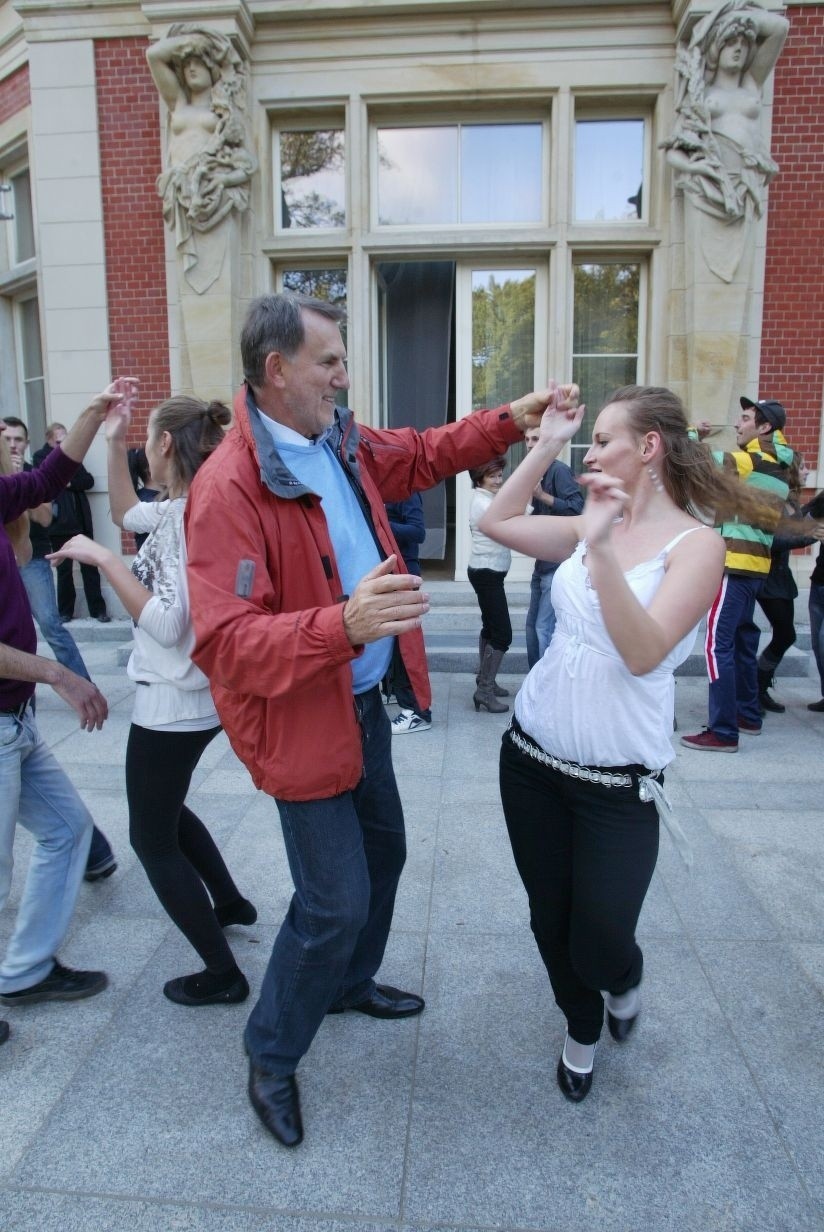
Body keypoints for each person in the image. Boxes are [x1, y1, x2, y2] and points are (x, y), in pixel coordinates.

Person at [183, 291, 557, 1147]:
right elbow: (230, 645)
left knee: (383, 852)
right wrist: (341, 625)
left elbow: (423, 453)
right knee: (332, 901)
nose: (344, 380)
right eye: (330, 364)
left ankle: (348, 984)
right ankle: (271, 1052)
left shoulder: (335, 440)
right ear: (275, 372)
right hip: (301, 719)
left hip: (363, 705)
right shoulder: (227, 488)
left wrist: (510, 419)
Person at [480, 383, 783, 1103]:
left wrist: (602, 547)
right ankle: (580, 1028)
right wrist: (548, 442)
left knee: (603, 937)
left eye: (605, 438)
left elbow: (645, 652)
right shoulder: (593, 522)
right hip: (531, 761)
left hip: (619, 787)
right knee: (548, 917)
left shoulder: (697, 545)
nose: (594, 452)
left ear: (648, 448)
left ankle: (623, 979)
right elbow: (497, 519)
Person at [49, 381, 256, 1008]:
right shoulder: (177, 509)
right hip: (186, 696)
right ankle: (231, 903)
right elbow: (121, 512)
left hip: (176, 699)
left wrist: (104, 563)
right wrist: (112, 443)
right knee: (164, 808)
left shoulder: (191, 521)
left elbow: (169, 624)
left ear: (165, 444)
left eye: (142, 442)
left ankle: (222, 974)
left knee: (150, 838)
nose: (141, 451)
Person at [0, 385, 115, 1028]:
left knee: (68, 832)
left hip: (14, 721)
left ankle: (24, 972)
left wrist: (95, 415)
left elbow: (52, 475)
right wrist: (59, 675)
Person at [681, 396, 792, 752]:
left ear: (765, 428)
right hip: (757, 566)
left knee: (717, 645)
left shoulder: (747, 460)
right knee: (743, 641)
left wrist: (693, 433)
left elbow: (693, 460)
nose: (738, 425)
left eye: (745, 419)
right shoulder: (781, 465)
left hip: (734, 564)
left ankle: (723, 731)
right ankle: (747, 715)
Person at [663, 1, 789, 224]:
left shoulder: (751, 84)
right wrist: (694, 166)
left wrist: (731, 18)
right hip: (708, 188)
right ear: (716, 47)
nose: (738, 48)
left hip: (746, 188)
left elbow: (780, 28)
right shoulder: (700, 96)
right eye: (731, 42)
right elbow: (674, 149)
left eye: (743, 43)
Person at [755, 454, 823, 714]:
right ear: (790, 471)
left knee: (785, 635)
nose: (808, 471)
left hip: (781, 578)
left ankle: (759, 686)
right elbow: (770, 541)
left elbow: (803, 523)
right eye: (803, 467)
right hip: (769, 577)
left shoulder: (793, 502)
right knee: (786, 635)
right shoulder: (775, 502)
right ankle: (757, 686)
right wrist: (807, 536)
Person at [33, 422, 110, 623]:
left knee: (90, 567)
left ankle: (98, 610)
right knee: (64, 570)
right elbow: (45, 482)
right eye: (59, 441)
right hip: (59, 525)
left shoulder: (73, 458)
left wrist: (67, 482)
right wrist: (65, 479)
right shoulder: (42, 457)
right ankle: (66, 611)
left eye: (65, 439)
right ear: (49, 440)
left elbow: (88, 481)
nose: (64, 444)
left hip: (80, 521)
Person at [523, 425, 584, 668]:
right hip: (541, 561)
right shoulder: (531, 472)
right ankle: (533, 680)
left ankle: (543, 683)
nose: (529, 444)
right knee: (531, 626)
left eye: (535, 438)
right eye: (526, 438)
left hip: (558, 563)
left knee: (542, 627)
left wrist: (543, 497)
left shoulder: (559, 471)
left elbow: (578, 507)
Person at [467, 457, 512, 712]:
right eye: (493, 476)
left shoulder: (487, 499)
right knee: (503, 634)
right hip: (487, 572)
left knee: (491, 627)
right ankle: (484, 689)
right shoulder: (483, 503)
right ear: (480, 478)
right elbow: (512, 522)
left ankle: (487, 681)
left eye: (500, 475)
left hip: (488, 571)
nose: (499, 480)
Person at [384, 494, 432, 733]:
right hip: (387, 574)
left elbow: (418, 532)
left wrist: (380, 523)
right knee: (391, 642)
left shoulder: (407, 492)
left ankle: (417, 711)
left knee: (406, 647)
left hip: (403, 573)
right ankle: (394, 692)